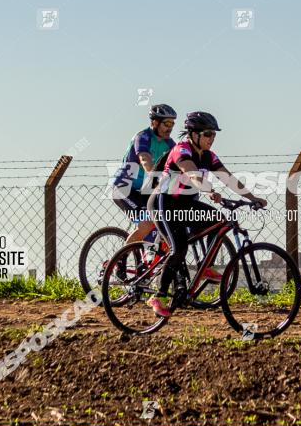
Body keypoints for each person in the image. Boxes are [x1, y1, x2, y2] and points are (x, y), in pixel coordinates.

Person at [145, 111, 267, 317]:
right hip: (163, 203)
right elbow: (191, 173)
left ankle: (205, 266)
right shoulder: (181, 150)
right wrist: (209, 191)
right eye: (208, 134)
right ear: (194, 134)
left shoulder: (209, 156)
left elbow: (228, 178)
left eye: (214, 135)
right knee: (179, 249)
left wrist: (252, 197)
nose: (212, 139)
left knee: (219, 221)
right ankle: (159, 295)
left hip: (186, 204)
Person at [111, 104, 177, 244]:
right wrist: (157, 176)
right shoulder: (143, 137)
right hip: (124, 189)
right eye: (167, 123)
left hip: (144, 191)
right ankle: (119, 262)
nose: (170, 127)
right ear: (154, 122)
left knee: (165, 222)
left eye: (172, 123)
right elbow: (144, 159)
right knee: (147, 224)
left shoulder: (170, 144)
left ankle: (150, 259)